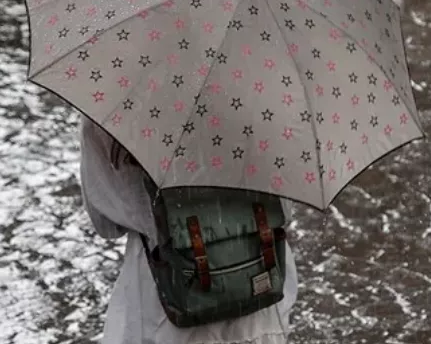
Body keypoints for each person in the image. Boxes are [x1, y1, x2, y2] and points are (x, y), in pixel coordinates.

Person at [79, 116, 298, 344]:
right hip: (258, 282)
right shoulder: (262, 101)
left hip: (166, 303)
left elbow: (105, 225)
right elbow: (284, 210)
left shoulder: (110, 110)